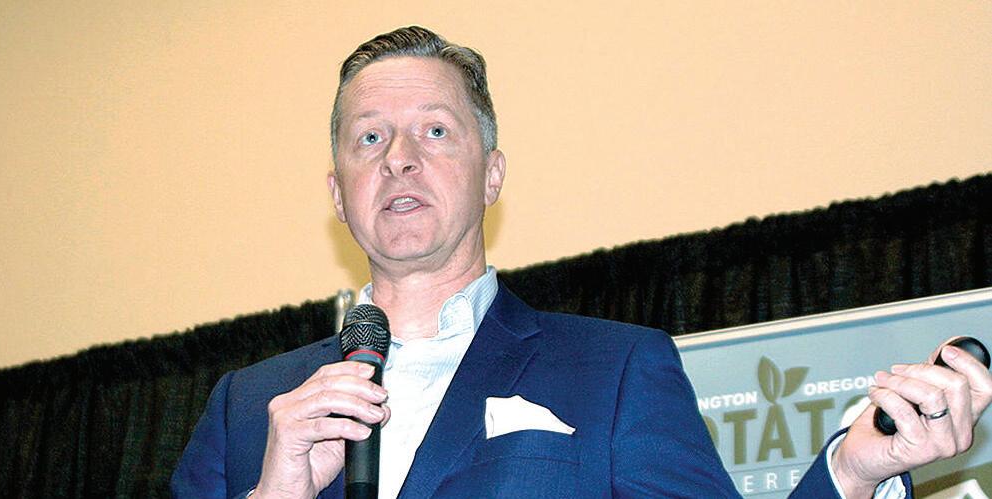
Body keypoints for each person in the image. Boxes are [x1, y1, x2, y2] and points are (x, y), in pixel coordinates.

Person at [171, 26, 992, 499]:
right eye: (369, 138)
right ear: (338, 191)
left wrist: (850, 469)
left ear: (491, 174)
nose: (398, 158)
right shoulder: (246, 406)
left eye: (435, 130)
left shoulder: (616, 368)